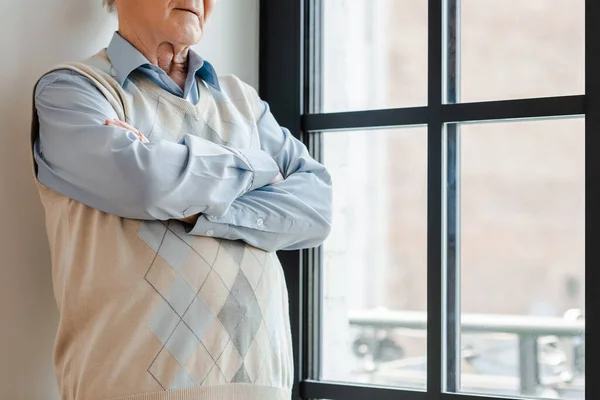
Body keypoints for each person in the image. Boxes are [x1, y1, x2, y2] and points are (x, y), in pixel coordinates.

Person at [30, 0, 332, 399]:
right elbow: (147, 184)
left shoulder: (243, 100)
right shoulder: (73, 90)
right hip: (128, 387)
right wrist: (260, 169)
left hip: (263, 385)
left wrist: (200, 210)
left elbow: (316, 209)